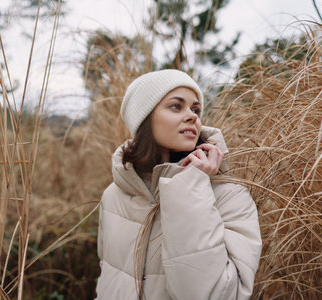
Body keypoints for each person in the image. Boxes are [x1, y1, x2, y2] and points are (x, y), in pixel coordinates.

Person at [95, 69, 262, 300]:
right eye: (176, 106)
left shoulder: (231, 196)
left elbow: (216, 295)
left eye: (195, 109)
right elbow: (108, 277)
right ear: (144, 119)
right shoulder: (114, 194)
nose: (192, 116)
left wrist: (191, 187)